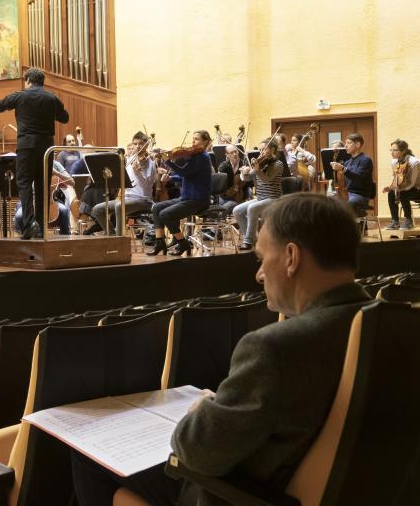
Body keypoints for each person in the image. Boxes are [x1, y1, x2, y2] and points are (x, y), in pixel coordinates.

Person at [72, 193, 371, 506]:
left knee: (86, 454)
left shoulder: (275, 348)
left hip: (235, 494)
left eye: (261, 259)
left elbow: (194, 451)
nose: (259, 274)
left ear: (291, 258)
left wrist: (203, 409)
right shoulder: (386, 325)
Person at [0, 68, 69, 239]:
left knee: (24, 183)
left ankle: (30, 224)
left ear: (28, 80)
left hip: (27, 146)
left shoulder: (20, 96)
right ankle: (41, 227)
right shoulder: (51, 98)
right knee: (43, 185)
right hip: (46, 148)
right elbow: (65, 118)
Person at [147, 131, 213, 256]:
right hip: (186, 198)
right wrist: (170, 178)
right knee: (156, 208)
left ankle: (183, 243)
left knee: (165, 214)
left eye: (197, 139)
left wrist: (168, 161)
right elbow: (187, 176)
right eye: (193, 138)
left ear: (205, 142)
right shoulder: (194, 156)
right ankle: (160, 242)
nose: (193, 141)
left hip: (198, 200)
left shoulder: (203, 157)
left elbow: (184, 172)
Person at [89, 131, 157, 236]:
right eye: (135, 144)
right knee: (97, 209)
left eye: (140, 144)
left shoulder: (150, 163)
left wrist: (137, 172)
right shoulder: (129, 160)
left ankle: (120, 237)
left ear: (146, 145)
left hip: (143, 200)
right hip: (126, 198)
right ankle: (112, 235)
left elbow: (146, 186)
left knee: (120, 206)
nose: (137, 146)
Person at [233, 137, 284, 250]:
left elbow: (266, 179)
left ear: (273, 150)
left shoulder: (277, 164)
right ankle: (253, 239)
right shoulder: (260, 163)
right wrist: (244, 173)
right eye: (260, 150)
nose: (261, 152)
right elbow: (247, 178)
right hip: (261, 198)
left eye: (264, 149)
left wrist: (257, 170)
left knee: (252, 208)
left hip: (274, 198)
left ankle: (248, 241)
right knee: (237, 210)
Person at [13, 160, 73, 236]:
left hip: (51, 200)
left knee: (64, 211)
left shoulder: (56, 164)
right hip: (31, 200)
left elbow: (72, 182)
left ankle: (65, 238)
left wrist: (56, 173)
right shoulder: (29, 163)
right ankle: (27, 237)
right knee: (19, 216)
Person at [329, 133, 374, 215]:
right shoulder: (347, 162)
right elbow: (340, 180)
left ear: (357, 144)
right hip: (347, 193)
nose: (345, 145)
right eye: (345, 143)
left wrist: (343, 168)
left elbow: (359, 178)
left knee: (343, 207)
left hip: (360, 195)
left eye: (349, 143)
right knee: (327, 204)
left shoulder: (365, 160)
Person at [383, 139, 419, 229]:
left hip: (417, 188)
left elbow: (412, 183)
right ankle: (395, 221)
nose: (392, 153)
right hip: (405, 188)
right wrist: (392, 187)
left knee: (402, 193)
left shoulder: (414, 163)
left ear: (403, 151)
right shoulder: (394, 162)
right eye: (391, 150)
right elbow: (396, 178)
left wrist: (399, 189)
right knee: (391, 193)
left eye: (395, 150)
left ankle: (408, 220)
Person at [217, 144, 250, 213]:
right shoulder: (223, 166)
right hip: (226, 194)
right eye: (231, 152)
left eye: (236, 151)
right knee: (222, 205)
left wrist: (246, 175)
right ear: (227, 155)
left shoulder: (244, 164)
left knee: (226, 207)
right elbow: (219, 185)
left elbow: (250, 184)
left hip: (240, 195)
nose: (234, 154)